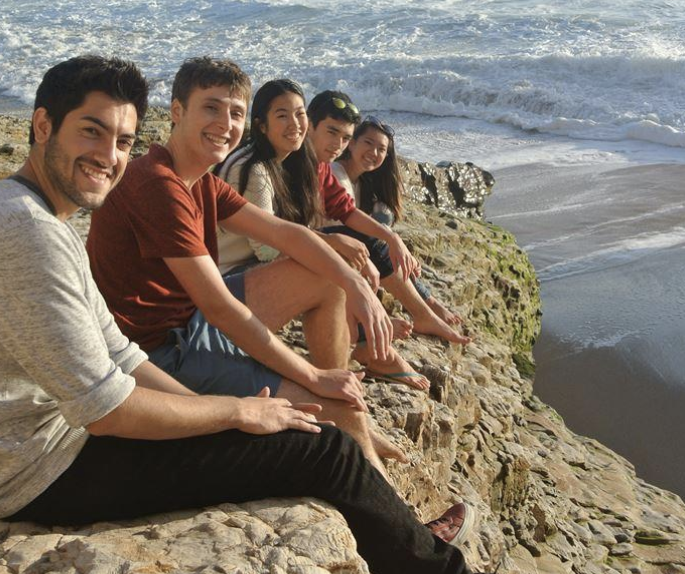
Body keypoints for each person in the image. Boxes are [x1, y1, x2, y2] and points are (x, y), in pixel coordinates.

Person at [0, 54, 484, 574]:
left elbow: (119, 353)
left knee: (304, 428)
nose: (110, 156)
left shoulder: (36, 217)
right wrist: (236, 412)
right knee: (325, 449)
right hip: (37, 473)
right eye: (91, 131)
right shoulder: (27, 232)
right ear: (43, 126)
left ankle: (403, 538)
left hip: (41, 451)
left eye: (122, 140)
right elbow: (107, 410)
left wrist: (219, 417)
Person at [86, 58, 406, 476]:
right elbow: (221, 309)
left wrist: (356, 285)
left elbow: (287, 234)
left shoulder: (200, 180)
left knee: (326, 280)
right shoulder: (158, 186)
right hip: (159, 354)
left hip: (189, 323)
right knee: (337, 405)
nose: (225, 123)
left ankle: (350, 416)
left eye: (236, 112)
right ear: (177, 111)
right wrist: (312, 377)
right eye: (211, 108)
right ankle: (363, 449)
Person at [216, 79, 430, 390]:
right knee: (330, 269)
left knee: (337, 261)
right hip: (223, 286)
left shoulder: (289, 162)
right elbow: (266, 249)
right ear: (261, 125)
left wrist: (374, 244)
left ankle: (347, 362)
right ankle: (353, 363)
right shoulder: (255, 169)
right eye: (282, 115)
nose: (294, 124)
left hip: (244, 277)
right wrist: (331, 245)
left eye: (299, 114)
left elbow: (332, 214)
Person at [328, 110, 470, 343]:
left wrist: (398, 247)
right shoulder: (335, 172)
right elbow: (348, 223)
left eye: (381, 149)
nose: (374, 153)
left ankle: (429, 303)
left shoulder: (361, 182)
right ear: (351, 143)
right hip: (322, 246)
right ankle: (423, 313)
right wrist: (393, 241)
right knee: (375, 241)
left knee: (382, 231)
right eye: (368, 143)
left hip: (341, 251)